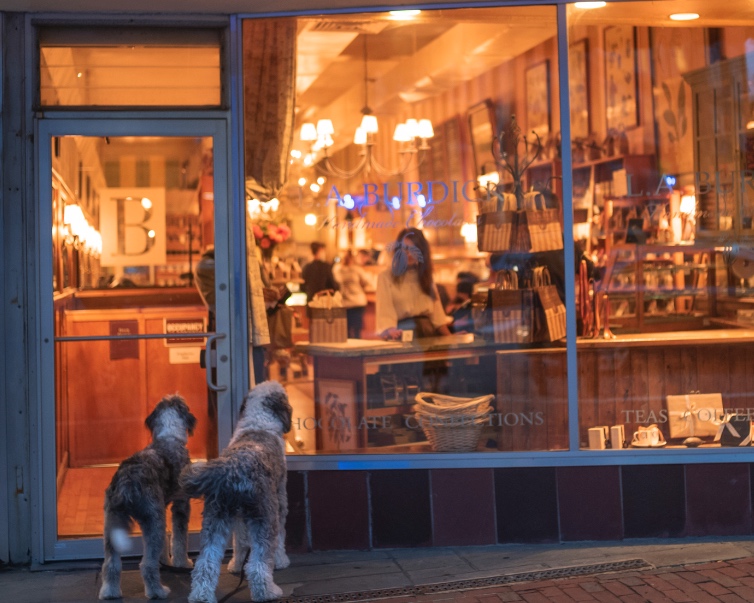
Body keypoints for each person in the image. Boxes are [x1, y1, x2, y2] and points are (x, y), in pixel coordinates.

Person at [375, 228, 452, 340]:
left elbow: (437, 316)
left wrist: (452, 337)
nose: (410, 254)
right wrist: (391, 330)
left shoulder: (425, 277)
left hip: (428, 335)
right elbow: (385, 313)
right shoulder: (386, 277)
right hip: (403, 333)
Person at [333, 249, 372, 339]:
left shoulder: (337, 269)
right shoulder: (356, 269)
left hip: (344, 303)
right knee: (357, 330)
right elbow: (366, 282)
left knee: (346, 331)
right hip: (358, 302)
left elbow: (335, 282)